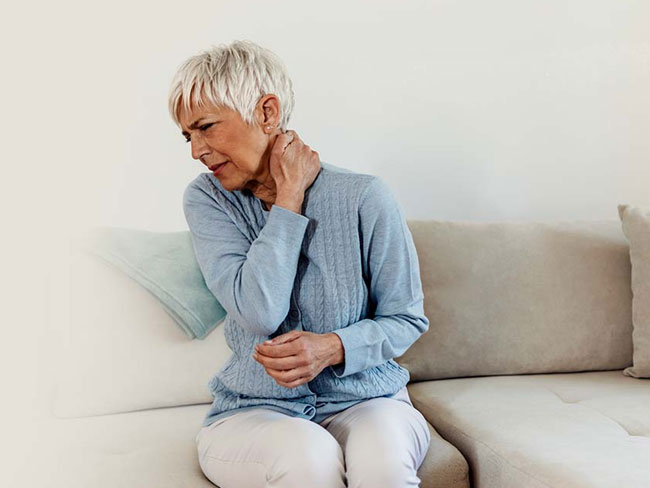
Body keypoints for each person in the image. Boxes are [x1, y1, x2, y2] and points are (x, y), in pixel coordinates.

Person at [168, 40, 432, 488]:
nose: (196, 151)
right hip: (253, 412)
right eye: (187, 136)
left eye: (206, 127)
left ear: (267, 113)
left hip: (369, 401)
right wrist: (288, 199)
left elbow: (406, 318)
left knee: (383, 466)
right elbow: (260, 311)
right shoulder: (207, 200)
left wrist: (335, 346)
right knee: (309, 458)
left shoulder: (364, 197)